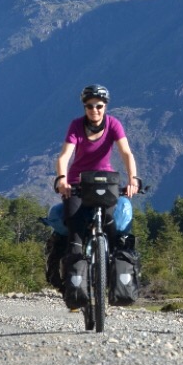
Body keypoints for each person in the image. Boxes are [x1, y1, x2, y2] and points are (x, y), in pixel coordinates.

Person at [48, 85, 140, 301]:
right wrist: (62, 180)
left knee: (112, 222)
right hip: (77, 184)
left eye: (99, 106)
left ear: (105, 106)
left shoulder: (113, 124)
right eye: (89, 106)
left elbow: (126, 152)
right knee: (75, 227)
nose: (94, 110)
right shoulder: (76, 126)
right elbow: (64, 157)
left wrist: (133, 180)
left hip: (106, 182)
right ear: (85, 107)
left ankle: (110, 267)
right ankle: (72, 283)